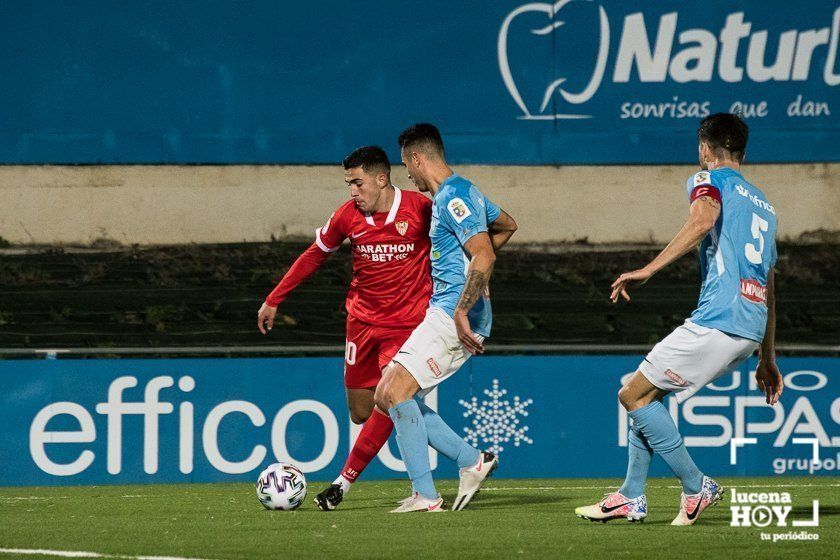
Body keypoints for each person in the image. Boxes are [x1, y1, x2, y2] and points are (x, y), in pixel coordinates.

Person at [575, 113, 783, 525]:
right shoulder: (767, 205)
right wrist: (767, 356)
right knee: (647, 398)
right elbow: (770, 284)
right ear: (744, 150)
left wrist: (648, 268)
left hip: (719, 318)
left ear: (705, 148)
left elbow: (702, 219)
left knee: (631, 395)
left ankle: (696, 486)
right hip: (749, 326)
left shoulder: (707, 179)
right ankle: (631, 496)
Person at [257, 146, 434, 510]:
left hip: (406, 325)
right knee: (362, 411)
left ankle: (345, 481)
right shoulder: (347, 216)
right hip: (362, 324)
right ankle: (468, 457)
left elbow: (456, 241)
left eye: (357, 182)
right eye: (348, 183)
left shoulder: (420, 209)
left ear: (381, 179)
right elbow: (314, 254)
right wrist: (274, 298)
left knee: (393, 396)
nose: (352, 191)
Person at [375, 123, 518, 513]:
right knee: (387, 392)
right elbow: (506, 225)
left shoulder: (454, 198)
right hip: (444, 309)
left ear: (418, 158)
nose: (408, 173)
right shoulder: (460, 192)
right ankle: (471, 460)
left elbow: (485, 253)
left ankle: (426, 496)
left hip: (453, 314)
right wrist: (474, 267)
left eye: (407, 164)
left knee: (394, 392)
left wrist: (463, 305)